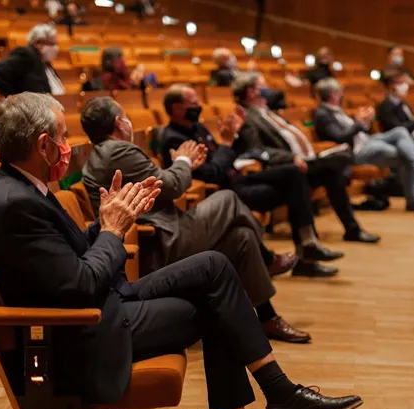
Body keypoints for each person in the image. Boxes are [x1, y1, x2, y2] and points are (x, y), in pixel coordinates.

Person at [0, 92, 363, 409]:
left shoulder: (21, 188)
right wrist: (111, 231)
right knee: (216, 305)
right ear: (42, 145)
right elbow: (80, 285)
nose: (67, 146)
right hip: (87, 333)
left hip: (101, 308)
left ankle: (275, 401)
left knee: (214, 266)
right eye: (61, 136)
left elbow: (64, 261)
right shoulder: (15, 203)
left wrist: (109, 221)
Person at [80, 96, 311, 344]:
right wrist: (183, 161)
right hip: (158, 240)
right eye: (126, 116)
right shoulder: (118, 150)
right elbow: (170, 185)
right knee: (228, 199)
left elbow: (160, 182)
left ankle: (267, 318)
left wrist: (183, 164)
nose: (129, 122)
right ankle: (268, 260)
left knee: (241, 238)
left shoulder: (105, 152)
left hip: (165, 229)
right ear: (119, 122)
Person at [160, 84, 343, 278]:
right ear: (177, 108)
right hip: (222, 192)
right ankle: (303, 255)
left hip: (238, 177)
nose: (199, 105)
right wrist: (227, 143)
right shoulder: (174, 139)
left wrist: (237, 134)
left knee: (294, 173)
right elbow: (212, 174)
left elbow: (228, 156)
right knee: (295, 189)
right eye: (193, 102)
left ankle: (308, 244)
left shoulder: (197, 127)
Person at [233, 73, 380, 244]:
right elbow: (257, 149)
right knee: (334, 161)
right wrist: (291, 157)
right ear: (251, 92)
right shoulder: (247, 118)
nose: (269, 90)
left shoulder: (268, 112)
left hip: (303, 161)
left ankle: (351, 230)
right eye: (263, 86)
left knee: (332, 171)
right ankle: (310, 241)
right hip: (285, 168)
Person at [314, 78, 414, 212]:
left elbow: (356, 131)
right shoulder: (323, 114)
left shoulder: (337, 110)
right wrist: (359, 123)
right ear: (333, 94)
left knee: (400, 132)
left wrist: (365, 121)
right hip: (356, 152)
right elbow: (340, 137)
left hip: (367, 141)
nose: (342, 94)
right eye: (340, 92)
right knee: (405, 155)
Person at [0, 24, 64, 96]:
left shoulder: (46, 62)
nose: (56, 48)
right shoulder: (28, 55)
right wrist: (13, 98)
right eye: (52, 44)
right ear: (37, 43)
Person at [82, 47, 147, 92]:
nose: (122, 61)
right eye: (119, 58)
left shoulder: (127, 77)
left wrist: (138, 84)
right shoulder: (94, 84)